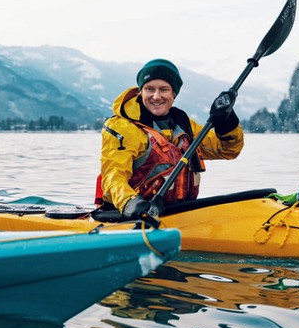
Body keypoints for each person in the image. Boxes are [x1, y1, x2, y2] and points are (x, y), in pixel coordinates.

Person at [97, 58, 242, 220]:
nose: (156, 96)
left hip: (179, 213)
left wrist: (227, 121)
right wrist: (130, 203)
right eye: (149, 89)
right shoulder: (122, 128)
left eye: (164, 89)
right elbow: (113, 176)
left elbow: (228, 150)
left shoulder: (184, 124)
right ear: (140, 91)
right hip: (133, 216)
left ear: (174, 94)